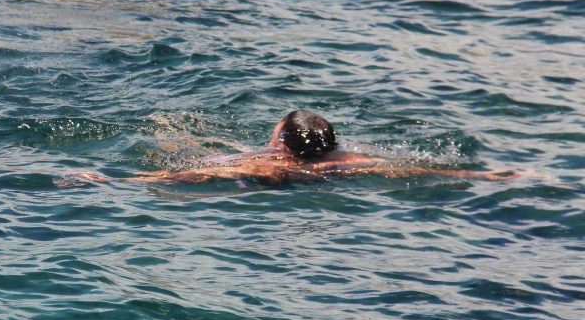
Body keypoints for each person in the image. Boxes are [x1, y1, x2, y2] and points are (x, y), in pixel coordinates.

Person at [67, 110, 520, 186]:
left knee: (191, 155)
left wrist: (111, 180)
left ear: (280, 139)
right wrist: (488, 175)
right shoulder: (350, 161)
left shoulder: (265, 164)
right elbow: (416, 170)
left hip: (264, 180)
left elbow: (188, 175)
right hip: (309, 179)